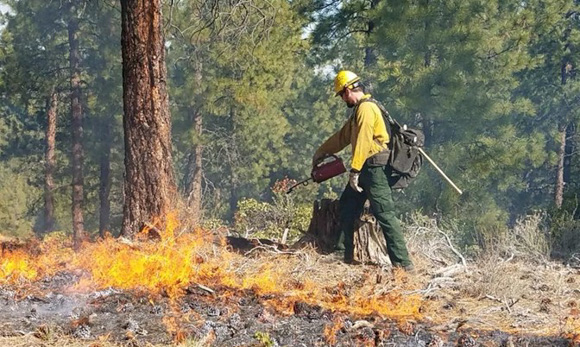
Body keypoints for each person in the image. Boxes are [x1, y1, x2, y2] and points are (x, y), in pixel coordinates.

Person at [312, 70, 414, 271]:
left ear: (349, 89)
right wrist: (321, 152)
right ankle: (344, 254)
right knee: (347, 207)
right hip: (365, 168)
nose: (342, 99)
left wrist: (355, 171)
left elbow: (363, 141)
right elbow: (342, 137)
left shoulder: (366, 109)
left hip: (374, 168)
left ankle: (403, 265)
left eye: (342, 94)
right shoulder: (359, 110)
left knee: (384, 214)